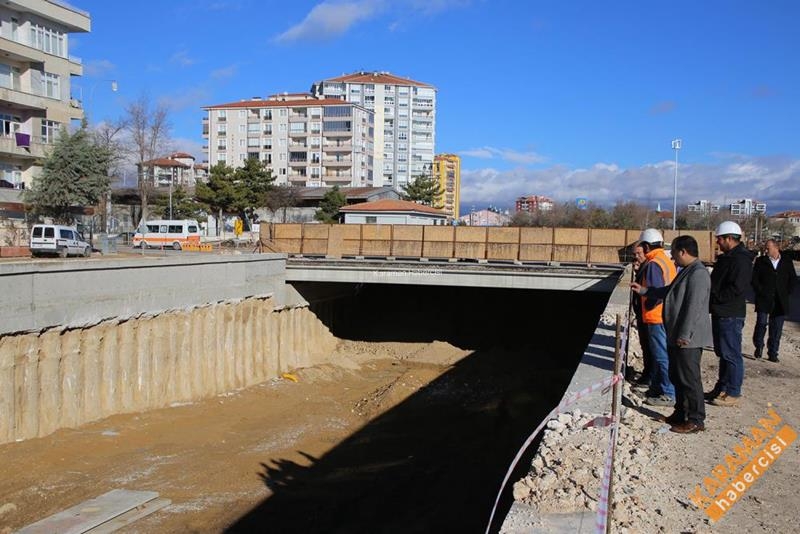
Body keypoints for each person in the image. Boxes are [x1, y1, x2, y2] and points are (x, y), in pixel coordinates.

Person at [632, 235, 712, 433]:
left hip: (688, 339)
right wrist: (645, 290)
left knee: (689, 379)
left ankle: (695, 419)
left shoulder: (698, 274)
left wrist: (684, 335)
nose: (673, 259)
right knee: (677, 376)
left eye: (675, 254)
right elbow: (669, 291)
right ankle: (680, 413)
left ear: (683, 252)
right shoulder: (687, 271)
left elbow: (693, 307)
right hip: (679, 335)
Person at [707, 221, 754, 407]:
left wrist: (716, 297)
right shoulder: (728, 257)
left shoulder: (740, 260)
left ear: (729, 238)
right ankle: (722, 387)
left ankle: (733, 391)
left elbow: (736, 287)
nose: (718, 242)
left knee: (731, 354)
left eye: (719, 239)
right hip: (721, 311)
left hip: (730, 312)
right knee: (723, 353)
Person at [635, 229, 677, 407]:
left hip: (656, 317)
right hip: (665, 315)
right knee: (663, 355)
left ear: (646, 246)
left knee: (660, 356)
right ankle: (659, 387)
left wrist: (648, 305)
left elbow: (655, 292)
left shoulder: (653, 264)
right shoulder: (665, 260)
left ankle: (667, 393)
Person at [751, 239, 797, 362]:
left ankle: (773, 352)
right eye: (765, 248)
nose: (766, 251)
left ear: (776, 247)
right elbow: (754, 279)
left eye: (768, 248)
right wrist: (760, 291)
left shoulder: (786, 261)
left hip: (780, 300)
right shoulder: (761, 261)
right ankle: (759, 345)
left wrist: (787, 292)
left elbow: (792, 278)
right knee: (761, 323)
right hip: (764, 299)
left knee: (776, 328)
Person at [630, 243, 654, 389]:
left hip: (649, 315)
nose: (637, 257)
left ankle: (650, 377)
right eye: (635, 254)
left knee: (651, 348)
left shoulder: (650, 266)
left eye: (639, 253)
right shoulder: (644, 267)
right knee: (646, 347)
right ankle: (647, 374)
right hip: (643, 313)